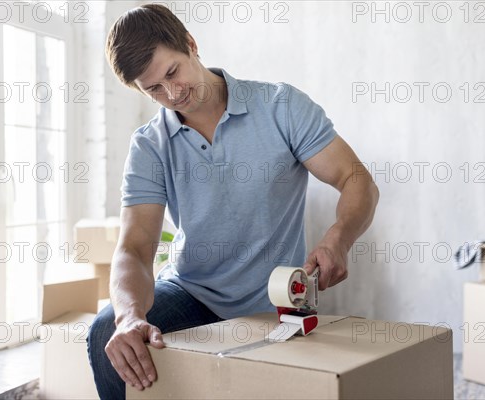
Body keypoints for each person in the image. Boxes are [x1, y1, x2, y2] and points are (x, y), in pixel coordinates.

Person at [87, 4, 379, 399]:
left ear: (190, 44)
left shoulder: (281, 107)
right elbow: (135, 247)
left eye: (172, 72)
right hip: (194, 293)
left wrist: (338, 239)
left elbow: (355, 179)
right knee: (108, 331)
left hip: (276, 299)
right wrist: (129, 317)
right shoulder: (149, 145)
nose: (172, 94)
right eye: (153, 88)